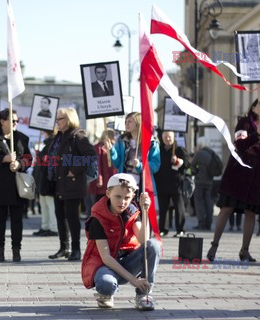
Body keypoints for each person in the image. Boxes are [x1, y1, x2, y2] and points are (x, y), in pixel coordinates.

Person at [207, 97, 260, 262]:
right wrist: (256, 135)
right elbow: (240, 146)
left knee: (250, 213)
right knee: (226, 209)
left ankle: (245, 250)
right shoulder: (243, 123)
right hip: (237, 175)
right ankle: (214, 246)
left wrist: (254, 147)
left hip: (256, 178)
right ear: (253, 108)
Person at [81, 173, 161, 310]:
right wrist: (133, 280)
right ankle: (105, 294)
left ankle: (144, 294)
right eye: (118, 196)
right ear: (108, 193)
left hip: (128, 261)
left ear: (133, 196)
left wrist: (145, 212)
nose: (122, 202)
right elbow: (106, 258)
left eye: (127, 198)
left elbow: (144, 241)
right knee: (106, 284)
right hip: (105, 265)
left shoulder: (132, 211)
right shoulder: (98, 217)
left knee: (153, 245)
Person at [0, 109, 31, 262]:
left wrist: (19, 164)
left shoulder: (22, 138)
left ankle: (16, 249)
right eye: (13, 120)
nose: (16, 123)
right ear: (2, 121)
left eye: (17, 121)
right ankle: (0, 250)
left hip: (17, 186)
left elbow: (29, 159)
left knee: (17, 219)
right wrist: (4, 159)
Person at [47, 108, 96, 261]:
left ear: (68, 119)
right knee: (60, 216)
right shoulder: (58, 137)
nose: (57, 122)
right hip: (58, 182)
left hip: (72, 183)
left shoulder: (77, 136)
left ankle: (76, 249)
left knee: (72, 216)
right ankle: (64, 247)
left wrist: (74, 170)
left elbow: (90, 155)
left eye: (60, 119)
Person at [106, 112, 160, 190]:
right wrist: (111, 150)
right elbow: (117, 164)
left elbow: (155, 165)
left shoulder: (151, 142)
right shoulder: (121, 140)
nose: (126, 124)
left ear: (138, 122)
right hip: (124, 185)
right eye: (125, 122)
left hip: (143, 186)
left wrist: (140, 165)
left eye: (129, 121)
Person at [154, 131, 189, 237]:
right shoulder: (159, 150)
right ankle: (163, 229)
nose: (167, 139)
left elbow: (187, 164)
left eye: (169, 137)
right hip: (162, 183)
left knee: (179, 208)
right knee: (163, 208)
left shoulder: (179, 150)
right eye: (165, 137)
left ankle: (180, 229)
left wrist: (178, 161)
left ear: (173, 138)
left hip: (176, 184)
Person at [33, 131, 58, 236]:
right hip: (42, 180)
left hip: (48, 180)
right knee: (44, 204)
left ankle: (53, 227)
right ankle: (45, 226)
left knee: (50, 205)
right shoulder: (47, 145)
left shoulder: (52, 144)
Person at [191, 137, 218, 231]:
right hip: (210, 181)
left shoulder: (199, 154)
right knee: (209, 201)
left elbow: (192, 165)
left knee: (199, 202)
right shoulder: (212, 152)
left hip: (199, 181)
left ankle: (201, 222)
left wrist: (195, 171)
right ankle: (209, 222)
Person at [89, 129, 117, 202]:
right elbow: (96, 164)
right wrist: (99, 178)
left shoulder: (112, 148)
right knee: (100, 201)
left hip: (110, 178)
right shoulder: (98, 148)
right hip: (102, 180)